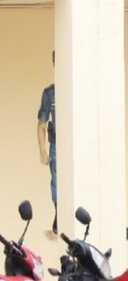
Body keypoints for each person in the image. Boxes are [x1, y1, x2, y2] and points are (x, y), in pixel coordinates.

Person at [37, 50, 57, 235]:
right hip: (57, 145)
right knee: (56, 183)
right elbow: (42, 124)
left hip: (75, 146)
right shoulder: (49, 94)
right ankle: (59, 213)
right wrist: (42, 150)